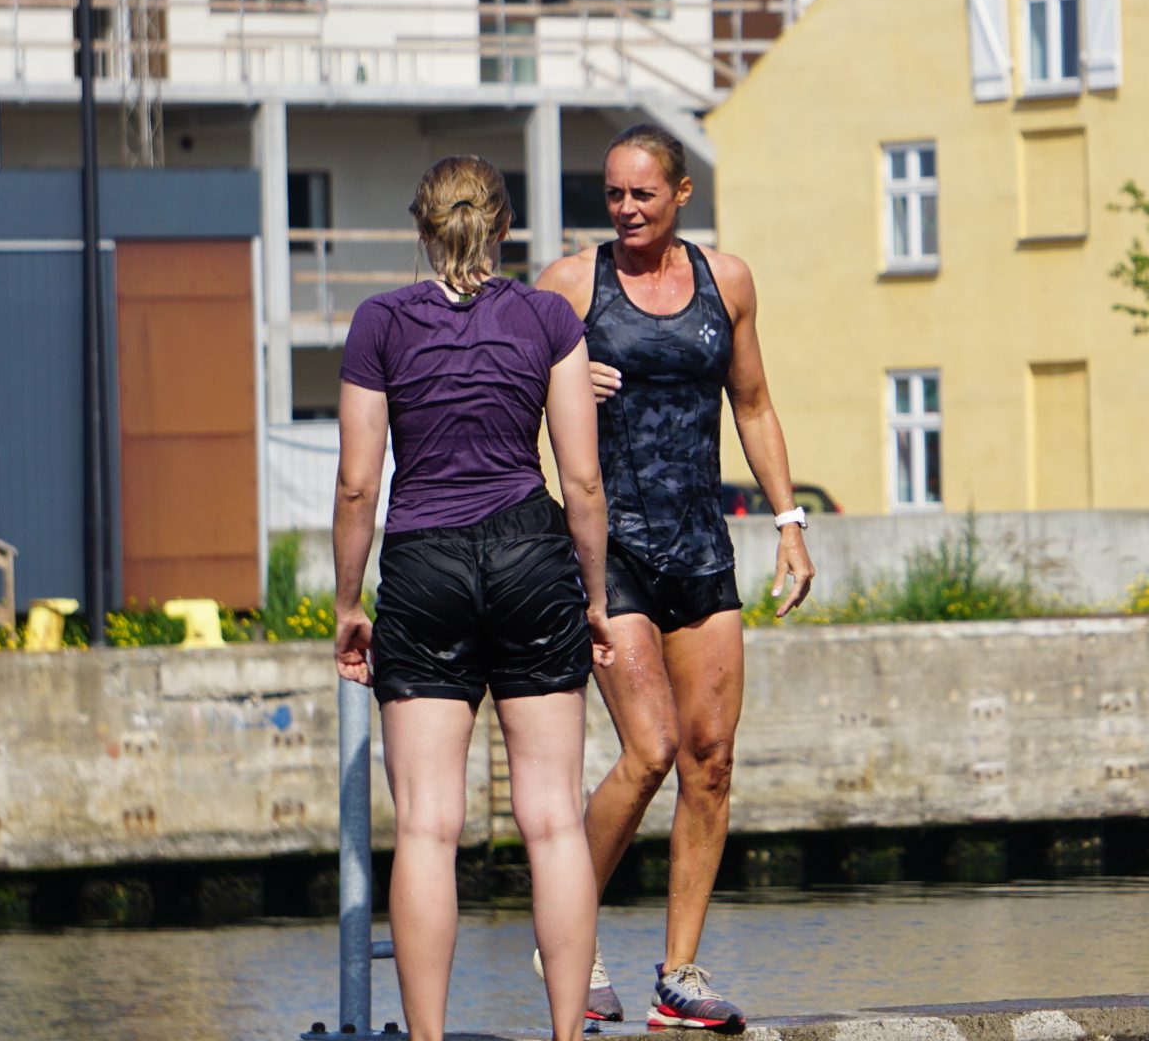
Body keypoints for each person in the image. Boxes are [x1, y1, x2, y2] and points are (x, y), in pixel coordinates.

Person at [537, 122, 816, 1032]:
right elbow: (507, 393)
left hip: (700, 547)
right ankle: (564, 931)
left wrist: (789, 523)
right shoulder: (569, 285)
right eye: (613, 195)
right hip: (608, 550)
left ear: (681, 194)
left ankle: (679, 977)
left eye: (642, 194)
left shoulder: (726, 281)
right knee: (651, 749)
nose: (625, 210)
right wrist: (561, 386)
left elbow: (754, 405)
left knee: (712, 759)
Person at [331, 156, 617, 1041]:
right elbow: (582, 479)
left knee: (427, 826)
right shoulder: (550, 318)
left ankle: (427, 1039)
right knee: (553, 820)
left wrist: (348, 605)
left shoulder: (379, 322)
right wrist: (595, 597)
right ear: (505, 227)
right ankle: (567, 1035)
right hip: (533, 558)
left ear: (422, 229)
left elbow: (356, 485)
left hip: (424, 564)